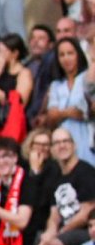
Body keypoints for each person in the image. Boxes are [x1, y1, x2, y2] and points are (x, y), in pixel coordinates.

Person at [38, 126, 95, 245]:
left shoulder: (85, 172)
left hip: (86, 229)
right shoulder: (55, 177)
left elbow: (86, 212)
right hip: (65, 231)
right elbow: (54, 215)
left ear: (74, 145)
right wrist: (48, 234)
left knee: (55, 244)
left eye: (65, 141)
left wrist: (58, 233)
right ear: (52, 150)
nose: (62, 146)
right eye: (57, 143)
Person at [46, 37, 95, 167]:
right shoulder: (56, 85)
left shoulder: (87, 77)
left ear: (78, 54)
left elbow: (87, 110)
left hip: (86, 141)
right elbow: (51, 118)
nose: (66, 58)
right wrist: (68, 113)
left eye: (70, 53)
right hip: (62, 144)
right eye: (61, 55)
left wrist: (60, 113)